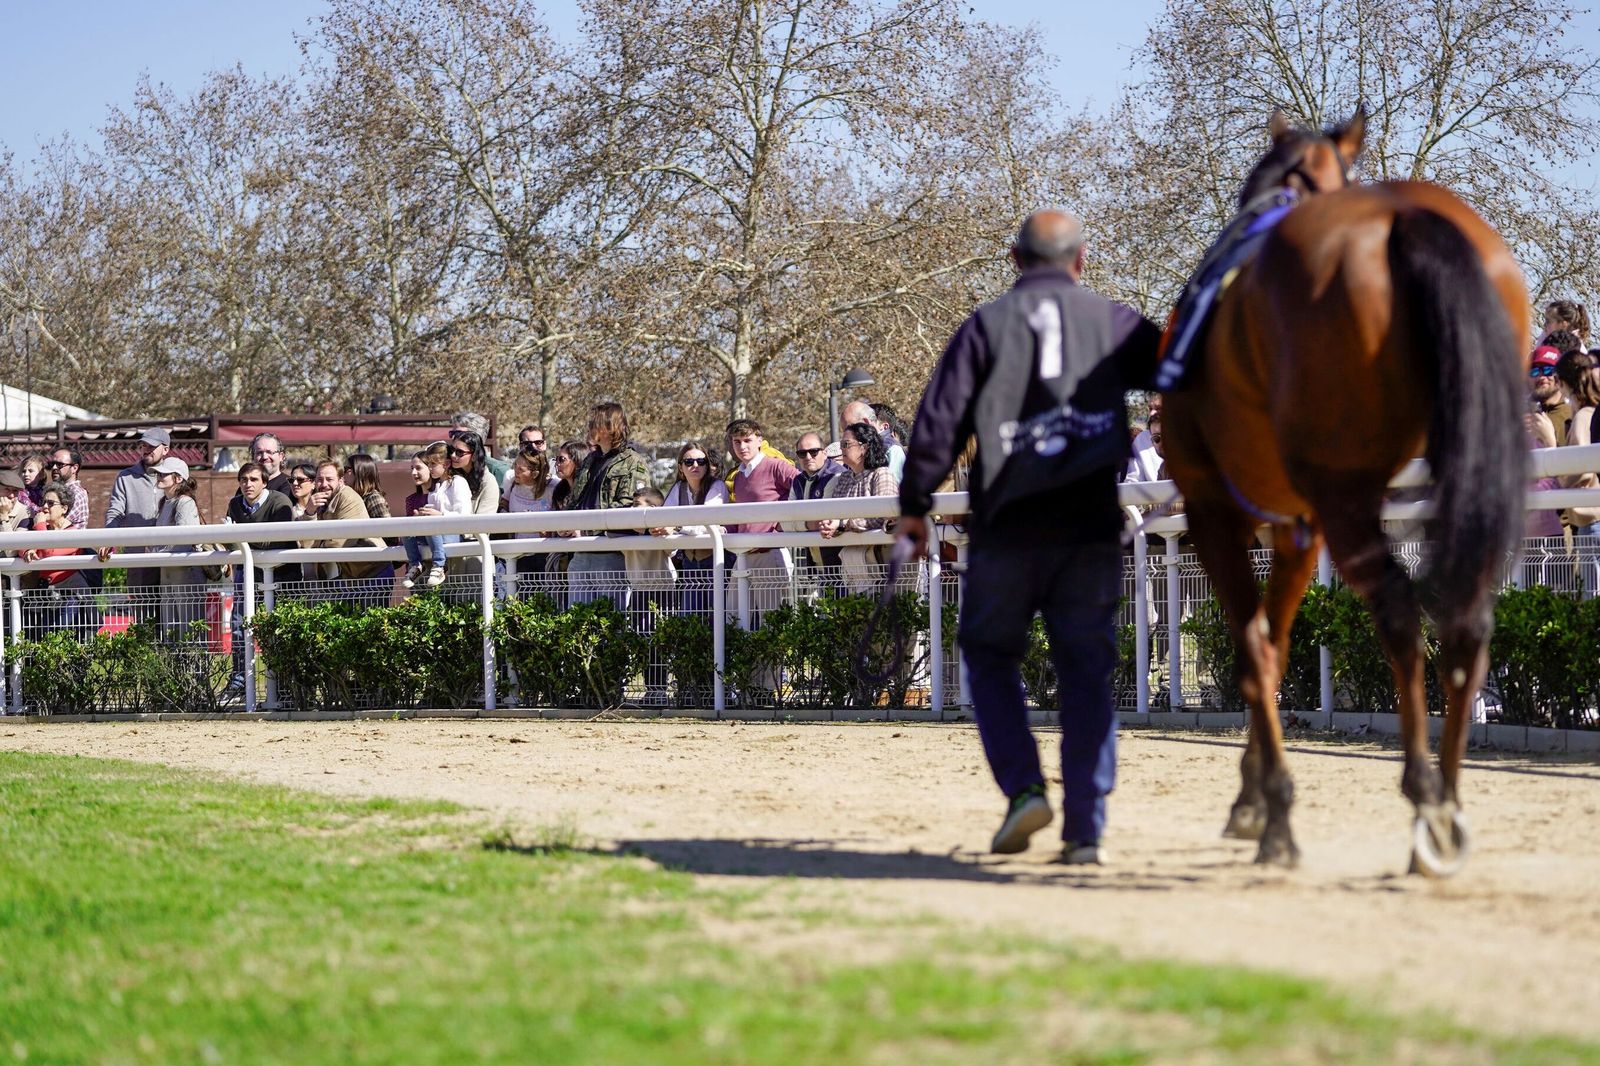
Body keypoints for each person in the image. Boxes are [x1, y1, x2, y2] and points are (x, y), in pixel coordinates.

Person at [895, 209, 1162, 866]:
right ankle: (1086, 829)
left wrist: (913, 506)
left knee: (988, 657)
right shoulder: (1117, 322)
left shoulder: (985, 326)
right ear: (1082, 260)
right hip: (1089, 529)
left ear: (1015, 261)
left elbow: (938, 422)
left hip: (1008, 528)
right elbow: (1187, 374)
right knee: (1086, 674)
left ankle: (1023, 789)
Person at [567, 403, 651, 610]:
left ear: (609, 426)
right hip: (580, 552)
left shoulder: (633, 462)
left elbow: (629, 507)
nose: (589, 426)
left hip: (611, 555)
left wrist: (585, 529)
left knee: (611, 625)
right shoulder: (590, 460)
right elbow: (576, 499)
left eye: (594, 422)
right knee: (576, 625)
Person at [224, 463, 295, 697]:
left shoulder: (280, 502)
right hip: (247, 574)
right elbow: (228, 542)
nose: (248, 484)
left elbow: (274, 542)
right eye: (243, 479)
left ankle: (283, 686)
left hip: (280, 576)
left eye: (254, 479)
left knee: (278, 630)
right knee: (238, 628)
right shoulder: (235, 503)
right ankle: (239, 682)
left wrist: (239, 537)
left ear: (264, 481)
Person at [725, 418, 797, 619]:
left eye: (747, 440)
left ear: (759, 440)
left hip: (769, 554)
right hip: (742, 555)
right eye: (737, 441)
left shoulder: (776, 466)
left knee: (772, 622)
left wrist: (783, 524)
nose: (742, 446)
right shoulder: (738, 476)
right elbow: (739, 517)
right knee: (733, 618)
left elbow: (802, 486)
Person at [820, 422, 899, 593]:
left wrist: (842, 524)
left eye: (846, 444)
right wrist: (830, 524)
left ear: (864, 447)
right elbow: (835, 514)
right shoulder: (843, 478)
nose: (842, 449)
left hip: (882, 566)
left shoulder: (882, 474)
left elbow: (884, 516)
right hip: (852, 565)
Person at [102, 427, 171, 620]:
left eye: (152, 446)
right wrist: (108, 538)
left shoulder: (175, 474)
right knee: (143, 619)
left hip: (171, 558)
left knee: (174, 615)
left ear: (165, 449)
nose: (146, 449)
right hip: (139, 558)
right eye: (143, 445)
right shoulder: (125, 477)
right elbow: (115, 512)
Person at [657, 440, 729, 616]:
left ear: (707, 465)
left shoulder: (717, 486)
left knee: (719, 616)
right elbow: (664, 517)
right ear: (681, 467)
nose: (695, 465)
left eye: (701, 461)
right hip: (689, 563)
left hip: (717, 561)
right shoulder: (678, 488)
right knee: (690, 618)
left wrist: (675, 526)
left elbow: (708, 522)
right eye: (689, 462)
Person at [1555, 347, 1600, 596]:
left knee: (1592, 597)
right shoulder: (1591, 412)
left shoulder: (1584, 415)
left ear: (1563, 383)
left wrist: (1561, 479)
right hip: (1591, 520)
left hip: (1592, 521)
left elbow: (1582, 467)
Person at [20, 482, 90, 638]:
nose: (44, 507)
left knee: (59, 636)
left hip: (69, 596)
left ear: (64, 508)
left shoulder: (73, 533)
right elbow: (21, 545)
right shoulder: (43, 531)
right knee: (42, 638)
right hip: (45, 596)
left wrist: (39, 525)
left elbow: (50, 553)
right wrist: (27, 550)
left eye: (50, 503)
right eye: (43, 502)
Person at [626, 487, 676, 704]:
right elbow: (610, 532)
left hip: (662, 589)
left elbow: (672, 548)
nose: (631, 509)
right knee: (641, 639)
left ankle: (659, 690)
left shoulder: (662, 528)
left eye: (637, 505)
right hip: (638, 589)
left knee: (659, 641)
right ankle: (651, 689)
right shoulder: (623, 527)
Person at [151, 456, 207, 640]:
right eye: (159, 473)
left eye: (164, 473)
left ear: (179, 478)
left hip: (186, 571)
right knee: (171, 629)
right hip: (167, 569)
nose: (159, 476)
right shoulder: (165, 502)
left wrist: (156, 552)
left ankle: (196, 668)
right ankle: (175, 668)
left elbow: (184, 539)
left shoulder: (185, 502)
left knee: (189, 628)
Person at [403, 442, 469, 589]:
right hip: (434, 534)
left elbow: (464, 515)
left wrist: (440, 515)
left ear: (445, 464)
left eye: (433, 464)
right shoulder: (436, 487)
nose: (430, 468)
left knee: (431, 527)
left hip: (454, 534)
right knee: (407, 531)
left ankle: (440, 565)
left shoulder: (458, 482)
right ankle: (416, 565)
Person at [782, 430, 844, 583]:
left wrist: (799, 523)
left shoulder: (836, 475)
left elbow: (824, 521)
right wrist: (807, 524)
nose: (808, 457)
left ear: (824, 452)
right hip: (816, 561)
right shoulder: (798, 480)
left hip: (840, 559)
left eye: (814, 452)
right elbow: (785, 523)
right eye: (802, 453)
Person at [503, 448, 555, 592]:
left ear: (535, 473)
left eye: (521, 469)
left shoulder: (552, 487)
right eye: (515, 466)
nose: (516, 471)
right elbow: (503, 504)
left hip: (544, 553)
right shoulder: (513, 484)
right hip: (519, 553)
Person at [841, 399, 906, 481]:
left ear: (866, 422)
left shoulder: (892, 450)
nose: (847, 434)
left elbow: (894, 488)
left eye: (850, 427)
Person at [46, 448, 89, 529]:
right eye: (52, 464)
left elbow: (58, 526)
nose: (54, 467)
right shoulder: (55, 491)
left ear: (74, 468)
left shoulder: (75, 494)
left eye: (59, 464)